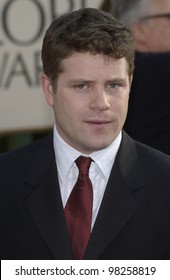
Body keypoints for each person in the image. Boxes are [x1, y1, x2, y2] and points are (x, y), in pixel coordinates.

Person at [0, 8, 170, 260]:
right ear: (49, 89)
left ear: (130, 84)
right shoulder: (6, 181)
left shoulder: (165, 183)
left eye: (114, 85)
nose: (101, 103)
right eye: (82, 86)